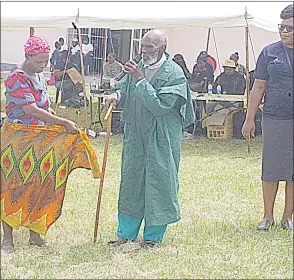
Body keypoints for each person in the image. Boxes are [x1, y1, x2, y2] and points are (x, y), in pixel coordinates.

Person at [105, 29, 195, 247]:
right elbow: (126, 88)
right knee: (132, 180)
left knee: (159, 180)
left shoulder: (174, 73)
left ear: (162, 48)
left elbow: (159, 106)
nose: (144, 51)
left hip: (161, 135)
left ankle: (152, 238)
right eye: (143, 46)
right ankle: (125, 233)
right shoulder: (138, 66)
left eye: (150, 47)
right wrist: (116, 96)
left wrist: (139, 78)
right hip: (136, 134)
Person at [1, 36, 78, 253]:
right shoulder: (16, 77)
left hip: (39, 138)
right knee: (13, 185)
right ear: (27, 56)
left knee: (40, 183)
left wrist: (54, 118)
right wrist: (63, 122)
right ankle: (7, 239)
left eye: (46, 62)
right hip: (17, 140)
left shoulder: (39, 75)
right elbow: (31, 110)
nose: (43, 65)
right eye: (39, 61)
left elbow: (43, 106)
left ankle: (35, 235)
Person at [242, 4, 293, 231]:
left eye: (289, 28)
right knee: (271, 168)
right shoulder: (269, 52)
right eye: (281, 27)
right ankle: (267, 216)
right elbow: (258, 87)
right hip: (274, 117)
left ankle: (287, 217)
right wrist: (249, 118)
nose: (284, 32)